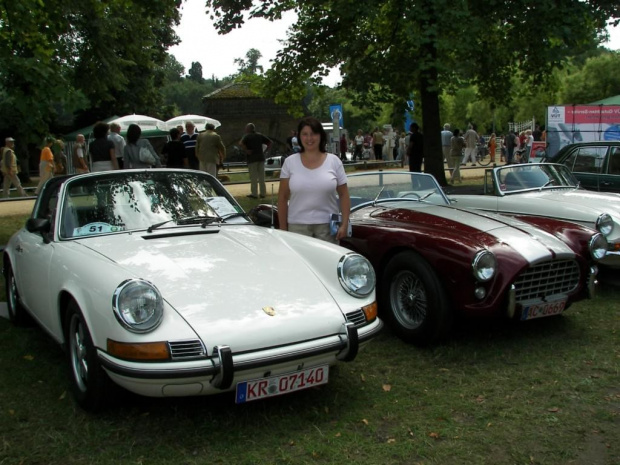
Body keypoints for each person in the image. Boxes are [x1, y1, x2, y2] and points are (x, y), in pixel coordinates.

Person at [277, 116, 351, 243]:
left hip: (327, 228)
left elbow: (344, 195)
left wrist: (344, 224)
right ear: (299, 137)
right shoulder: (290, 163)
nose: (309, 138)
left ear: (320, 136)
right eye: (305, 134)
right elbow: (282, 198)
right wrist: (283, 229)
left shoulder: (334, 161)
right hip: (297, 228)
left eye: (313, 134)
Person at [240, 123, 271, 198]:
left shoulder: (247, 136)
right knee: (261, 177)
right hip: (261, 157)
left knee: (253, 177)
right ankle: (263, 193)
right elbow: (270, 142)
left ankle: (254, 193)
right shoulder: (259, 135)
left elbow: (241, 143)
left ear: (248, 129)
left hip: (252, 158)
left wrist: (246, 150)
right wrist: (266, 150)